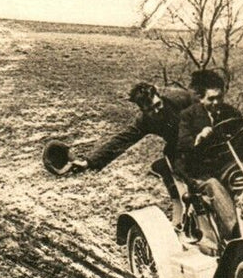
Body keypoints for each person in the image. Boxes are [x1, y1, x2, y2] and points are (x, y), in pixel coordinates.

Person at [72, 82, 196, 210]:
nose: (157, 111)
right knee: (166, 166)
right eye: (150, 110)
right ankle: (183, 208)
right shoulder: (145, 121)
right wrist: (89, 161)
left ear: (159, 96)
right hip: (177, 146)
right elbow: (122, 140)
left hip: (205, 138)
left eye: (158, 105)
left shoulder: (181, 99)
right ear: (142, 110)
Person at [177, 69, 243, 241]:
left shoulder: (230, 112)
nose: (216, 102)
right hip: (199, 170)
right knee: (213, 185)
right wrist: (198, 138)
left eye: (219, 98)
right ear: (201, 98)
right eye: (211, 99)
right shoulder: (188, 116)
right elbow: (183, 146)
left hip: (224, 165)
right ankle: (236, 231)